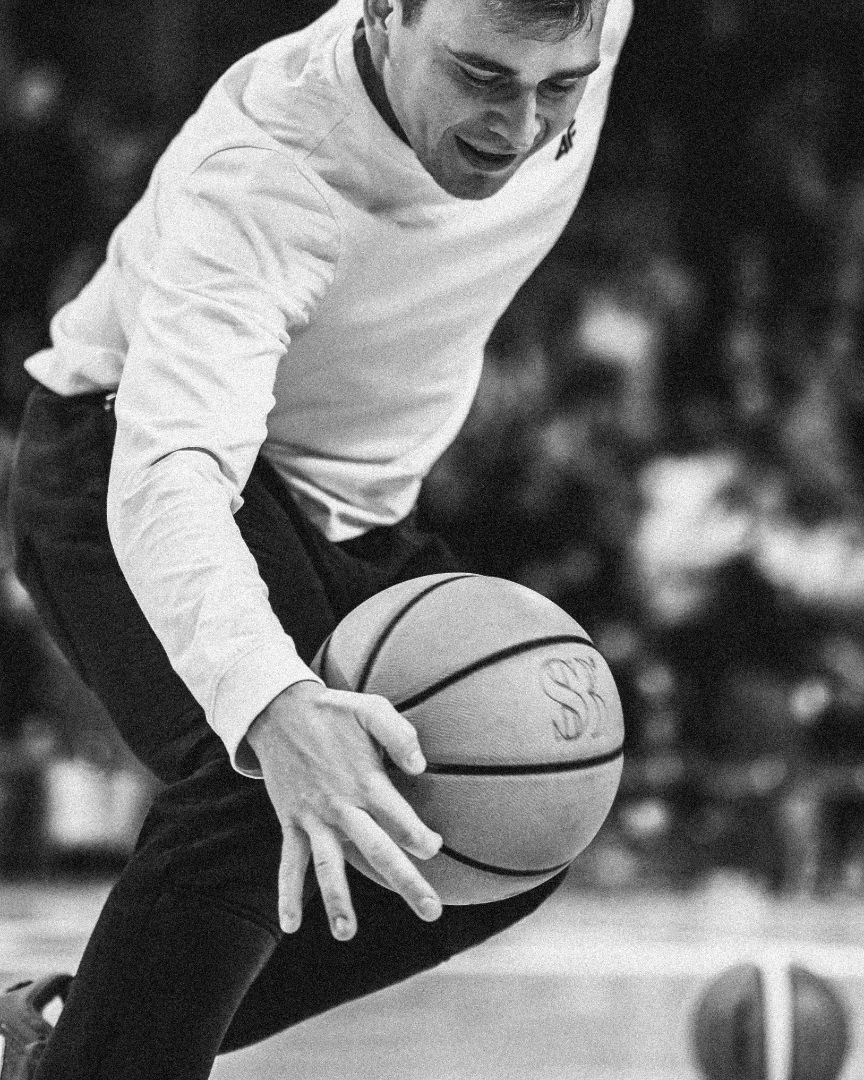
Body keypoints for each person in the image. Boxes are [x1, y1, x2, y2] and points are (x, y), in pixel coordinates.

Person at [1, 0, 632, 1075]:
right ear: (385, 10)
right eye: (480, 78)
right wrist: (275, 705)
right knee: (262, 780)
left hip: (351, 513)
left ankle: (67, 1045)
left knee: (514, 813)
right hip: (123, 460)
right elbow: (171, 472)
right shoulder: (268, 169)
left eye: (559, 87)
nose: (521, 127)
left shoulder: (588, 21)